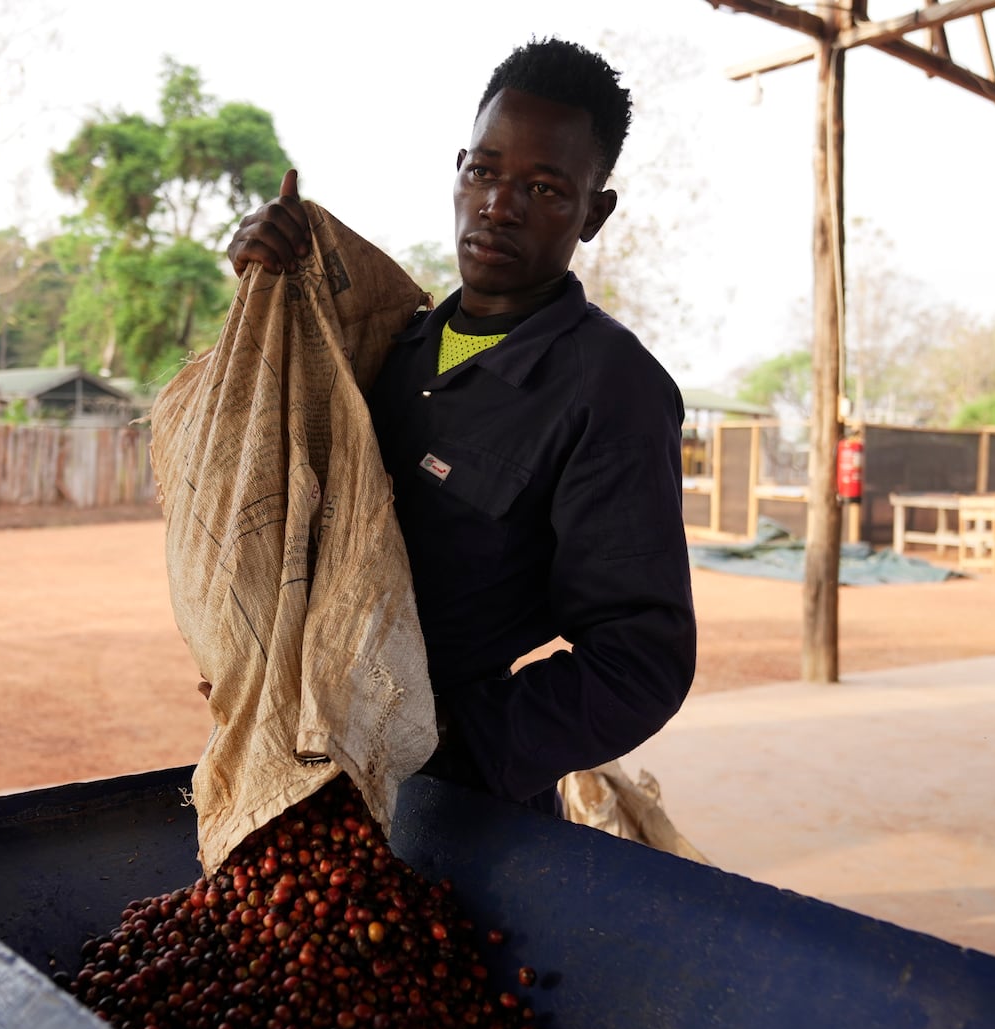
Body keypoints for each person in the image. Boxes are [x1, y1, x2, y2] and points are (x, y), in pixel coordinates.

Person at [226, 38, 696, 815]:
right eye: (483, 171)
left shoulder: (610, 389)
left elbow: (639, 661)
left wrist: (437, 738)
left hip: (460, 809)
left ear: (595, 212)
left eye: (545, 188)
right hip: (289, 765)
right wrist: (258, 283)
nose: (498, 205)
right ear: (459, 168)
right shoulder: (387, 346)